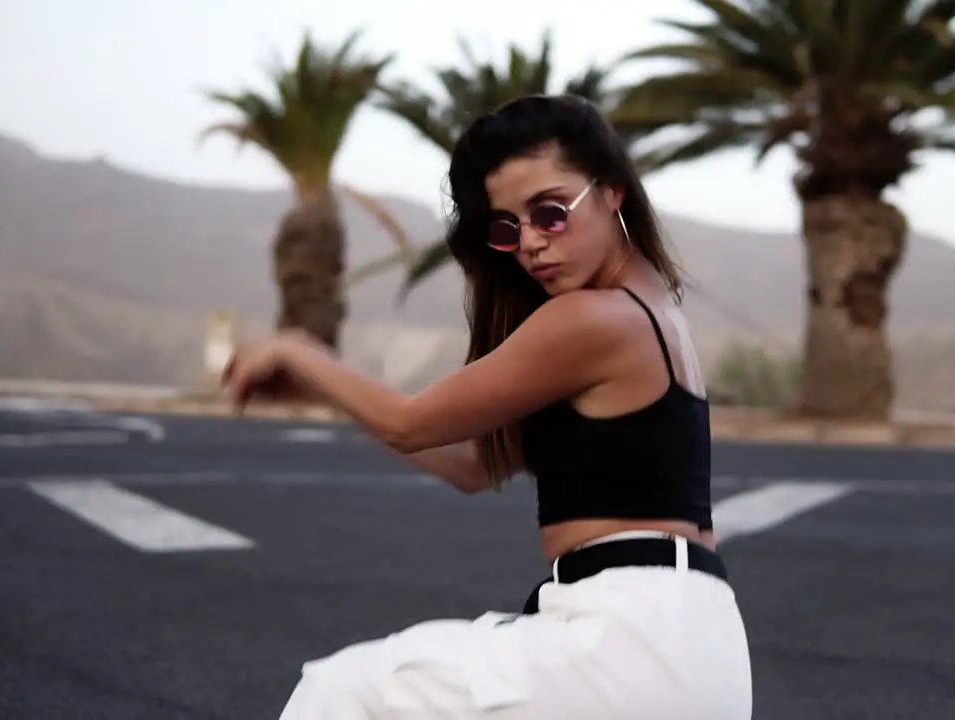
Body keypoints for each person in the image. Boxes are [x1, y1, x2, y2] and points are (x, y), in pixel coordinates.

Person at [223, 94, 753, 719]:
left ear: (612, 193)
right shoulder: (651, 311)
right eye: (507, 228)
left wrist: (296, 348)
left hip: (624, 640)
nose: (530, 243)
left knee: (344, 693)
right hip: (687, 642)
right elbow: (475, 466)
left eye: (550, 213)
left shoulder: (591, 318)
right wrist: (323, 385)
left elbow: (410, 424)